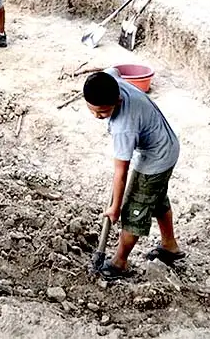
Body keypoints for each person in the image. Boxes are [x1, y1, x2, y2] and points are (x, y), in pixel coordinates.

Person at [81, 67, 184, 280]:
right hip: (165, 143)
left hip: (156, 157)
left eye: (102, 112)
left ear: (118, 101)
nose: (97, 116)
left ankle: (119, 262)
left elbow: (121, 171)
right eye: (92, 110)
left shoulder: (123, 127)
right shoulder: (110, 79)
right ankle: (170, 246)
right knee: (155, 199)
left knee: (135, 209)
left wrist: (116, 207)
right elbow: (114, 70)